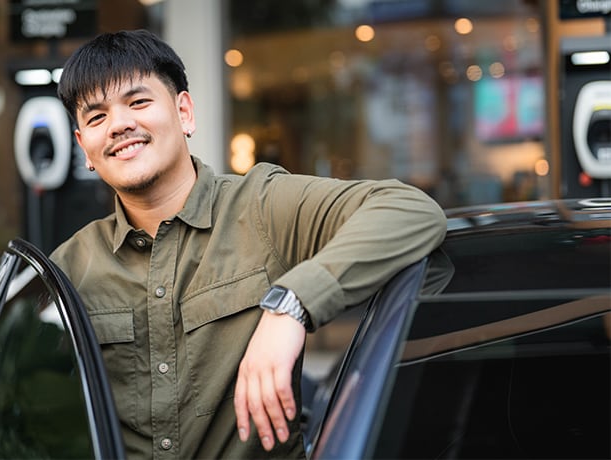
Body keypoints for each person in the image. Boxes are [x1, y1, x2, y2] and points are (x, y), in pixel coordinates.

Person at [50, 29, 447, 459]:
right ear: (84, 149)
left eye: (139, 102)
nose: (120, 125)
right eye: (95, 117)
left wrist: (291, 305)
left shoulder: (261, 206)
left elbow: (408, 209)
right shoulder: (68, 269)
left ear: (184, 112)